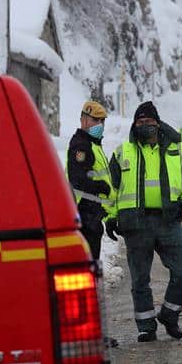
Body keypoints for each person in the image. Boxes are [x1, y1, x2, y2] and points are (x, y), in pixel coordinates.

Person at [105, 101, 182, 342]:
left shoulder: (177, 149)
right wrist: (110, 216)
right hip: (135, 223)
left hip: (168, 220)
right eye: (140, 122)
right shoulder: (122, 152)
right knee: (139, 279)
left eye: (149, 121)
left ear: (158, 124)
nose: (145, 125)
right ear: (134, 125)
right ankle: (146, 326)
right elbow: (110, 191)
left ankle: (170, 313)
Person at [66, 101, 114, 260]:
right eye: (95, 120)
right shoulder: (81, 146)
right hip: (84, 214)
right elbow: (78, 178)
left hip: (93, 215)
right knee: (87, 266)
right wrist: (102, 187)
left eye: (102, 121)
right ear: (84, 120)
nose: (100, 124)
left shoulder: (94, 145)